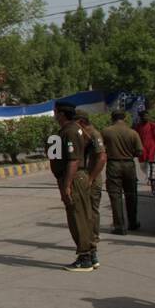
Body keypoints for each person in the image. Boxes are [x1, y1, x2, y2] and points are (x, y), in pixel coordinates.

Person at [53, 103, 97, 273]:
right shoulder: (76, 129)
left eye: (56, 112)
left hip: (74, 177)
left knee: (77, 217)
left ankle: (84, 257)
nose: (54, 114)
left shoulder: (70, 131)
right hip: (78, 176)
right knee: (84, 216)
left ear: (62, 114)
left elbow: (73, 160)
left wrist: (67, 185)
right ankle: (91, 253)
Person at [101, 111, 143, 234]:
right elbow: (139, 151)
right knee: (131, 195)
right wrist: (129, 154)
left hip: (113, 164)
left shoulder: (106, 131)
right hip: (129, 165)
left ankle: (119, 226)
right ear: (124, 118)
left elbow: (99, 148)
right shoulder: (133, 132)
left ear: (112, 118)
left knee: (115, 196)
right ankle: (133, 223)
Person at [76, 112, 107, 235]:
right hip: (84, 177)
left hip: (92, 178)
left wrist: (91, 178)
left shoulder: (94, 135)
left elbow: (102, 158)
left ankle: (93, 237)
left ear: (82, 122)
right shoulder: (83, 134)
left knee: (92, 209)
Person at [136, 112, 155, 177]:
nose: (146, 118)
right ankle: (147, 174)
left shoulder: (152, 125)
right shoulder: (138, 126)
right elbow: (136, 137)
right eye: (144, 116)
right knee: (142, 164)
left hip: (151, 146)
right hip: (141, 147)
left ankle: (149, 177)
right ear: (141, 118)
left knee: (150, 162)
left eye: (147, 116)